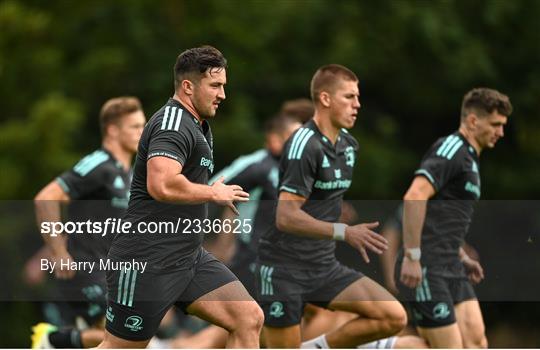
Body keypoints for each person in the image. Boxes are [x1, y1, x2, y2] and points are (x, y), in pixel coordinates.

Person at [98, 46, 263, 348]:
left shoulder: (198, 125)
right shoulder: (171, 124)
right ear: (188, 86)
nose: (222, 94)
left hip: (188, 258)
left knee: (248, 317)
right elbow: (161, 184)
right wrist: (213, 192)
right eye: (215, 85)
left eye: (223, 85)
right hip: (147, 258)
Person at [256, 64, 407, 348]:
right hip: (284, 270)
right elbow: (286, 217)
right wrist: (343, 231)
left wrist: (337, 212)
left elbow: (320, 195)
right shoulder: (304, 145)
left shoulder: (349, 146)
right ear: (325, 99)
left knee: (393, 317)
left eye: (358, 97)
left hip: (323, 266)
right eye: (349, 97)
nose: (357, 104)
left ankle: (316, 347)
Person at [397, 87, 513, 348]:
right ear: (473, 121)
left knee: (476, 342)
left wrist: (461, 255)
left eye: (503, 125)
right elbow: (414, 195)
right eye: (495, 124)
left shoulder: (471, 159)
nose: (501, 132)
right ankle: (378, 345)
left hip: (450, 264)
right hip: (426, 265)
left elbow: (443, 218)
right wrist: (412, 256)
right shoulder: (452, 149)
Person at [31, 97, 146, 348]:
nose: (142, 132)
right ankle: (51, 342)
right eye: (134, 127)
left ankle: (58, 341)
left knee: (118, 340)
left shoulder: (127, 174)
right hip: (84, 268)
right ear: (113, 130)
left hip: (106, 273)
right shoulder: (99, 165)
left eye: (143, 126)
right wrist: (58, 251)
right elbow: (45, 198)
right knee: (128, 336)